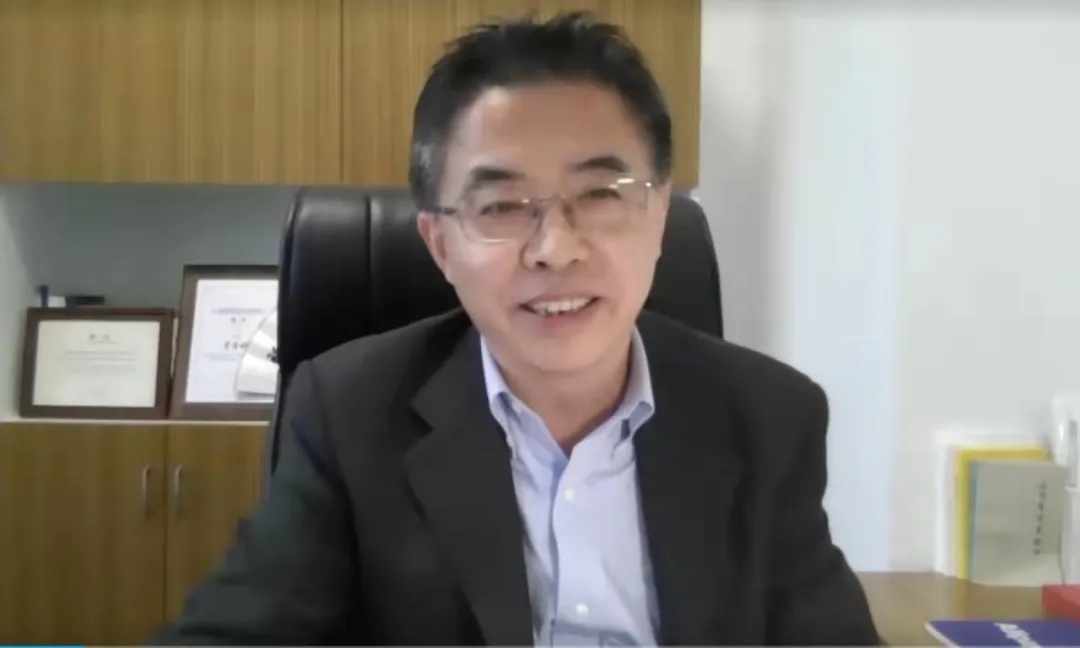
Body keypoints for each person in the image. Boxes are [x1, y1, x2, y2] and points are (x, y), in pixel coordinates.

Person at [153, 11, 880, 646]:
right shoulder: (349, 415)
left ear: (659, 217)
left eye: (601, 195)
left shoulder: (769, 417)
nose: (554, 249)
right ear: (441, 245)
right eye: (501, 207)